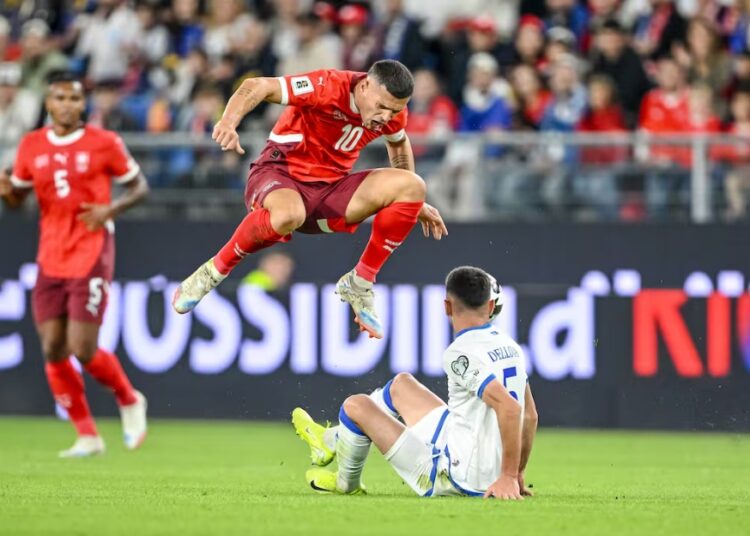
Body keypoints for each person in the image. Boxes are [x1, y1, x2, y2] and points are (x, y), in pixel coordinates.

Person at [172, 60, 447, 340]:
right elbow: (257, 85)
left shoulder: (391, 111)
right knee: (289, 214)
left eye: (395, 111)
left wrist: (410, 204)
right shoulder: (326, 86)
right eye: (382, 107)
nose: (387, 117)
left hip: (329, 192)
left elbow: (398, 142)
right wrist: (229, 122)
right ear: (365, 86)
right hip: (279, 175)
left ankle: (360, 282)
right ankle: (211, 272)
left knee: (414, 186)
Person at [0, 73, 149, 458]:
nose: (67, 105)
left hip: (91, 249)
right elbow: (17, 201)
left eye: (74, 98)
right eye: (60, 98)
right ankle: (87, 435)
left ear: (83, 104)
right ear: (48, 103)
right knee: (52, 348)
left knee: (82, 347)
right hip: (51, 254)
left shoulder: (104, 142)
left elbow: (139, 187)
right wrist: (7, 193)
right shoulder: (31, 145)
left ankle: (129, 398)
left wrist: (110, 209)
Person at [292, 266, 538, 499]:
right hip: (466, 445)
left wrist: (508, 477)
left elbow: (510, 408)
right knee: (402, 384)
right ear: (491, 305)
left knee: (355, 405)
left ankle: (346, 483)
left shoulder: (459, 353)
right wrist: (517, 472)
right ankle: (331, 440)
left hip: (456, 475)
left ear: (447, 306)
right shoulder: (510, 346)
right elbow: (530, 416)